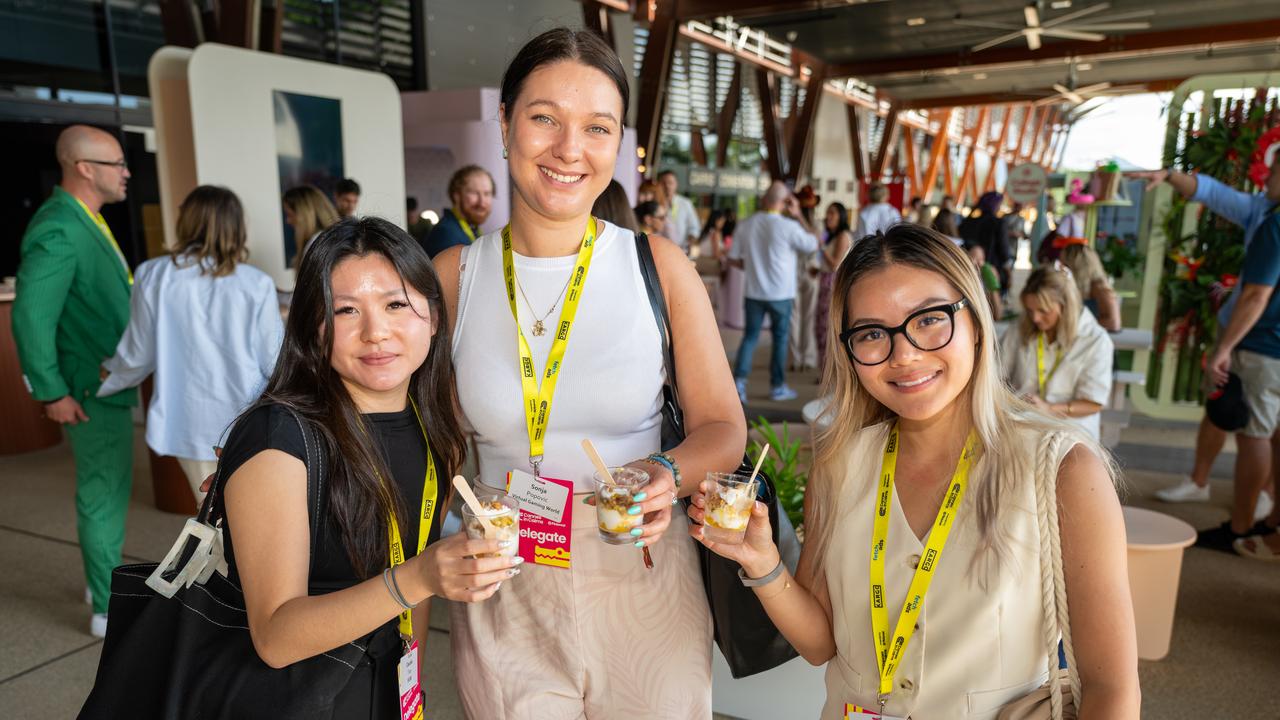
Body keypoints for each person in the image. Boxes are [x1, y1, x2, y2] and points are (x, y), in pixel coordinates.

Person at [689, 223, 1139, 719]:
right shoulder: (841, 467)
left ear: (975, 319)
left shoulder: (1062, 470)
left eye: (928, 320)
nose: (904, 355)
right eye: (873, 333)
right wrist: (762, 562)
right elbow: (819, 645)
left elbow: (1110, 688)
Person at [432, 28, 745, 718]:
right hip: (505, 579)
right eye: (544, 118)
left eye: (596, 128)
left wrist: (666, 470)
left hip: (641, 569)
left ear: (618, 145)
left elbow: (723, 427)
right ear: (506, 122)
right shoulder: (453, 278)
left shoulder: (657, 266)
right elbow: (420, 435)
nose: (569, 149)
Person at [210, 216, 517, 717]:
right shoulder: (279, 438)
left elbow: (413, 585)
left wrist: (411, 697)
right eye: (346, 310)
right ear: (315, 326)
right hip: (290, 701)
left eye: (396, 304)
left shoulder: (432, 428)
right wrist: (418, 577)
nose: (376, 333)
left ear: (433, 317)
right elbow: (276, 637)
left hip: (382, 695)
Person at [13, 124, 138, 639]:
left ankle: (98, 580)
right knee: (103, 490)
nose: (128, 173)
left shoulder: (83, 219)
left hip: (101, 381)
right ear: (85, 168)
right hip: (88, 388)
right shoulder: (60, 228)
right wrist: (51, 391)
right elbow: (31, 316)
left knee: (107, 487)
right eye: (117, 164)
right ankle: (108, 608)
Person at [97, 186, 283, 504]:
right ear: (236, 225)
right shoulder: (255, 283)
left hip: (190, 417)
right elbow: (274, 359)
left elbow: (138, 351)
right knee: (249, 509)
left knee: (211, 511)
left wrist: (108, 377)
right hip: (246, 415)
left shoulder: (153, 276)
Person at [1134, 162, 1280, 523]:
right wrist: (1169, 175)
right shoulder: (1263, 210)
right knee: (1244, 417)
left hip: (1259, 342)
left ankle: (1244, 524)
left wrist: (1225, 347)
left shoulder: (1274, 224)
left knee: (1255, 433)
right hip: (1258, 340)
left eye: (1275, 170)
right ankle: (1224, 490)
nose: (1266, 176)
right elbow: (1213, 193)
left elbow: (1256, 296)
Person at [729, 181, 820, 402]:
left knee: (750, 337)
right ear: (786, 201)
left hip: (754, 292)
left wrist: (751, 267)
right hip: (781, 294)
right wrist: (798, 214)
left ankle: (739, 385)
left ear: (764, 200)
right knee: (780, 339)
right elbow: (815, 243)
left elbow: (733, 258)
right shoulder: (790, 227)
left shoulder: (746, 224)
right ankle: (777, 387)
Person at [1001, 267, 1114, 441]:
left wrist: (1049, 409)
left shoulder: (1096, 340)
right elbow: (996, 374)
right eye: (1030, 311)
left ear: (1065, 306)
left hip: (1072, 431)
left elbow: (1093, 403)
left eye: (1043, 311)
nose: (1036, 318)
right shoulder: (1020, 328)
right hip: (1020, 426)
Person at [423, 165, 494, 258]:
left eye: (487, 193)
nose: (482, 202)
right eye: (474, 193)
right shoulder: (447, 234)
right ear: (457, 196)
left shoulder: (471, 228)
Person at [815, 202, 853, 373]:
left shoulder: (843, 236)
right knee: (821, 327)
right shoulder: (832, 236)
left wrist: (821, 246)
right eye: (827, 213)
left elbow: (834, 264)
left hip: (833, 285)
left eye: (832, 213)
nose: (828, 217)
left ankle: (830, 373)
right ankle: (825, 370)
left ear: (841, 216)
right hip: (825, 283)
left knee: (828, 328)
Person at [790, 184, 823, 373]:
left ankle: (808, 358)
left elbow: (817, 240)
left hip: (811, 271)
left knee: (809, 316)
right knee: (794, 317)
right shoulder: (791, 223)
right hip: (794, 272)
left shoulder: (815, 223)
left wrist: (799, 217)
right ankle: (796, 358)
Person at [1059, 241, 1121, 331]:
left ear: (1077, 267)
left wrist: (1076, 325)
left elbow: (1114, 323)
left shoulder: (1100, 288)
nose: (1062, 268)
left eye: (1065, 265)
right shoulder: (1083, 287)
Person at [960, 191, 1010, 295]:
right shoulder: (999, 223)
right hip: (992, 268)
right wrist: (1008, 269)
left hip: (970, 267)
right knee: (993, 299)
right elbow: (1003, 249)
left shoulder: (968, 222)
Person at [703, 209, 744, 330]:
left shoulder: (709, 232)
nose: (723, 222)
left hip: (705, 263)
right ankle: (726, 307)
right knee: (727, 271)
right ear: (716, 220)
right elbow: (716, 254)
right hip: (709, 265)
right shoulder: (715, 233)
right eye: (721, 220)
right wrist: (727, 250)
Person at [282, 185, 340, 267]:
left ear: (304, 214)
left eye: (290, 215)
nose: (288, 221)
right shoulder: (330, 239)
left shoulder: (316, 244)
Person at [658, 169, 700, 253]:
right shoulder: (655, 203)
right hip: (660, 250)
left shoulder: (685, 203)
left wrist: (690, 241)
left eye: (670, 183)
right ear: (659, 185)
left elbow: (694, 227)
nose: (667, 186)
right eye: (664, 183)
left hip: (682, 251)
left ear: (676, 184)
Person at [966, 243, 1003, 321]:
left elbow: (997, 314)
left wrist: (992, 284)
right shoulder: (965, 277)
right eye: (974, 258)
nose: (979, 263)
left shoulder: (988, 272)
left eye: (981, 259)